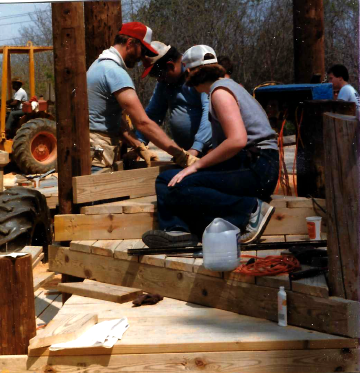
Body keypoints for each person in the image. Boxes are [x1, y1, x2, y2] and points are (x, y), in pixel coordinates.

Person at [142, 45, 279, 248]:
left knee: (180, 186)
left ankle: (250, 210)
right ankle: (178, 231)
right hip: (252, 163)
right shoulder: (226, 87)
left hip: (257, 166)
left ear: (190, 72)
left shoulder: (220, 92)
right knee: (166, 180)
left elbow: (237, 140)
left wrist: (197, 165)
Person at [87, 22, 197, 171]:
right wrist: (180, 154)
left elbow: (111, 119)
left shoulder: (98, 65)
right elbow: (143, 122)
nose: (142, 57)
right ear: (131, 43)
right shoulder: (115, 72)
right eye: (143, 49)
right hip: (99, 158)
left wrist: (138, 145)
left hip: (94, 154)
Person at [135, 42, 212, 157]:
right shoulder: (165, 83)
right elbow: (153, 115)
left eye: (158, 74)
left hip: (210, 151)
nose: (158, 79)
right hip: (188, 152)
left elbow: (210, 113)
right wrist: (139, 143)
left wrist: (197, 147)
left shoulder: (197, 74)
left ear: (170, 65)